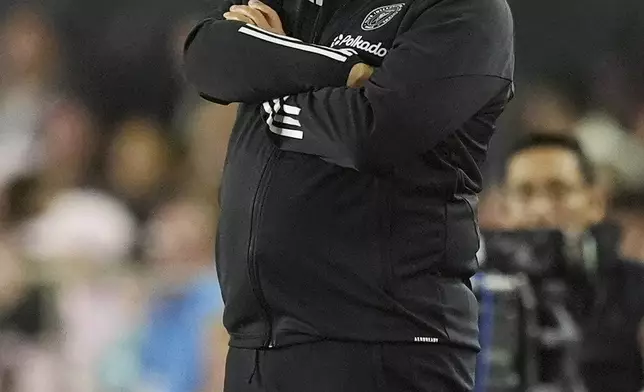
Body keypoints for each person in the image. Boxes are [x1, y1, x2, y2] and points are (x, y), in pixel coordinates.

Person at [183, 0, 515, 390]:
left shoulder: (466, 10)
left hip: (385, 344)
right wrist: (337, 70)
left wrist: (269, 68)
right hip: (258, 346)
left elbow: (370, 131)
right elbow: (205, 56)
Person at [502, 133, 644, 392]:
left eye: (559, 191)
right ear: (503, 207)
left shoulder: (637, 291)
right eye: (525, 193)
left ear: (595, 202)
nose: (541, 209)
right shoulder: (475, 297)